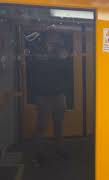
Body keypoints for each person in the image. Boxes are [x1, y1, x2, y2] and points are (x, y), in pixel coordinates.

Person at [31, 31, 72, 167]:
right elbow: (37, 68)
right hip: (42, 95)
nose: (56, 40)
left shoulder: (61, 51)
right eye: (53, 37)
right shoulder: (37, 50)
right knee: (41, 126)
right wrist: (55, 58)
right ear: (46, 38)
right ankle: (38, 154)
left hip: (59, 94)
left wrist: (64, 58)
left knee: (58, 124)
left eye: (57, 38)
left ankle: (59, 149)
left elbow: (67, 69)